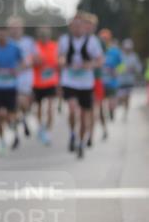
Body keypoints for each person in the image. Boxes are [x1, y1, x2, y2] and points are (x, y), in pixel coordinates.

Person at [57, 12, 103, 158]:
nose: (77, 28)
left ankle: (81, 142)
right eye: (74, 26)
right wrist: (62, 61)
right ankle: (72, 133)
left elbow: (100, 60)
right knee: (72, 109)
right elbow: (60, 57)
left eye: (80, 25)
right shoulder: (64, 40)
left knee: (84, 117)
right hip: (69, 81)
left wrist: (91, 64)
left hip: (86, 84)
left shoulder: (92, 41)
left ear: (84, 27)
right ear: (71, 27)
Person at [7, 17, 36, 137]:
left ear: (22, 29)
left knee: (23, 102)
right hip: (10, 77)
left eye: (17, 28)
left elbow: (34, 57)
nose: (15, 30)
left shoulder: (28, 41)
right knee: (13, 102)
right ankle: (18, 120)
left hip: (25, 77)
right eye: (12, 28)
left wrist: (26, 63)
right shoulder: (6, 42)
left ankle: (22, 117)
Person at [32, 25, 59, 145]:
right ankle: (40, 126)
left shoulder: (55, 46)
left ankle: (48, 131)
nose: (44, 36)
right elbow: (29, 61)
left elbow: (59, 62)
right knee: (38, 109)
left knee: (50, 108)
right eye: (42, 34)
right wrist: (35, 61)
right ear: (39, 35)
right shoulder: (34, 46)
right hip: (37, 82)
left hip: (51, 82)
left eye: (46, 34)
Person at [98, 28, 122, 139]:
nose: (104, 40)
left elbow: (122, 65)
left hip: (112, 82)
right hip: (100, 83)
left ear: (109, 39)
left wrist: (117, 71)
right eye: (102, 39)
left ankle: (112, 111)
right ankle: (104, 126)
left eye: (106, 39)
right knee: (101, 107)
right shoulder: (96, 50)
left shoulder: (115, 51)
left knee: (111, 103)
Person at [117, 38, 143, 119]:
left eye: (129, 48)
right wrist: (123, 69)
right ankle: (120, 105)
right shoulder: (120, 55)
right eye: (126, 48)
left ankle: (125, 112)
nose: (127, 49)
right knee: (122, 96)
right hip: (121, 80)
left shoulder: (134, 56)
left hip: (130, 80)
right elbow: (117, 67)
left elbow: (138, 68)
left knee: (127, 97)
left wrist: (133, 69)